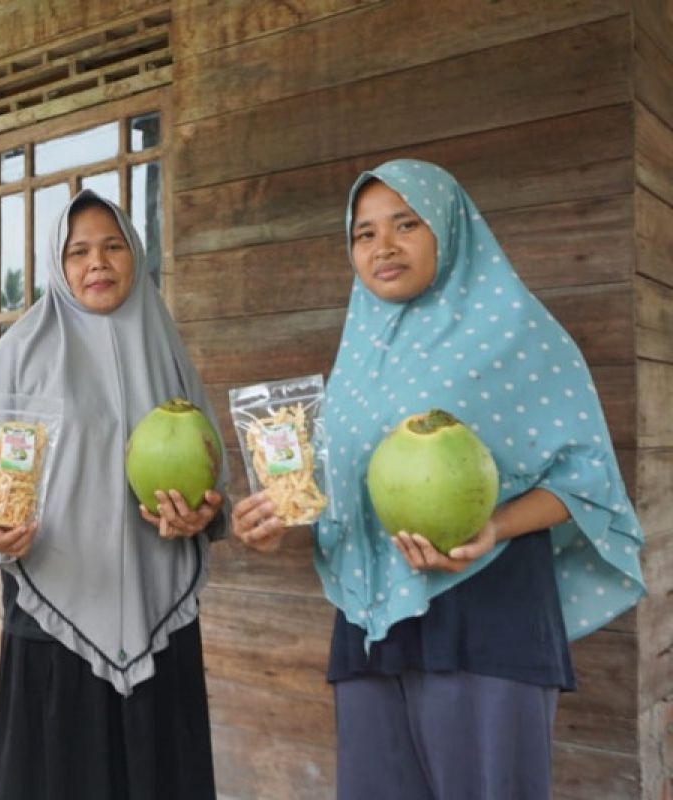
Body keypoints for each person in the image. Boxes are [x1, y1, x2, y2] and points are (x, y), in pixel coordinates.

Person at [231, 159, 645, 799]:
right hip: (371, 630)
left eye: (406, 224)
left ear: (450, 228)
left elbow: (586, 480)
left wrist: (495, 525)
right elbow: (339, 492)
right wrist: (275, 523)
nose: (383, 247)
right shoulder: (360, 351)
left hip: (487, 611)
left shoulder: (518, 333)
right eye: (364, 233)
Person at [0, 189, 227, 799]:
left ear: (136, 256)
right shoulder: (19, 351)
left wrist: (201, 514)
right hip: (50, 622)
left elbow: (210, 471)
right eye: (78, 252)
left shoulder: (168, 353)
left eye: (112, 246)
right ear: (57, 265)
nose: (97, 263)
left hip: (158, 611)